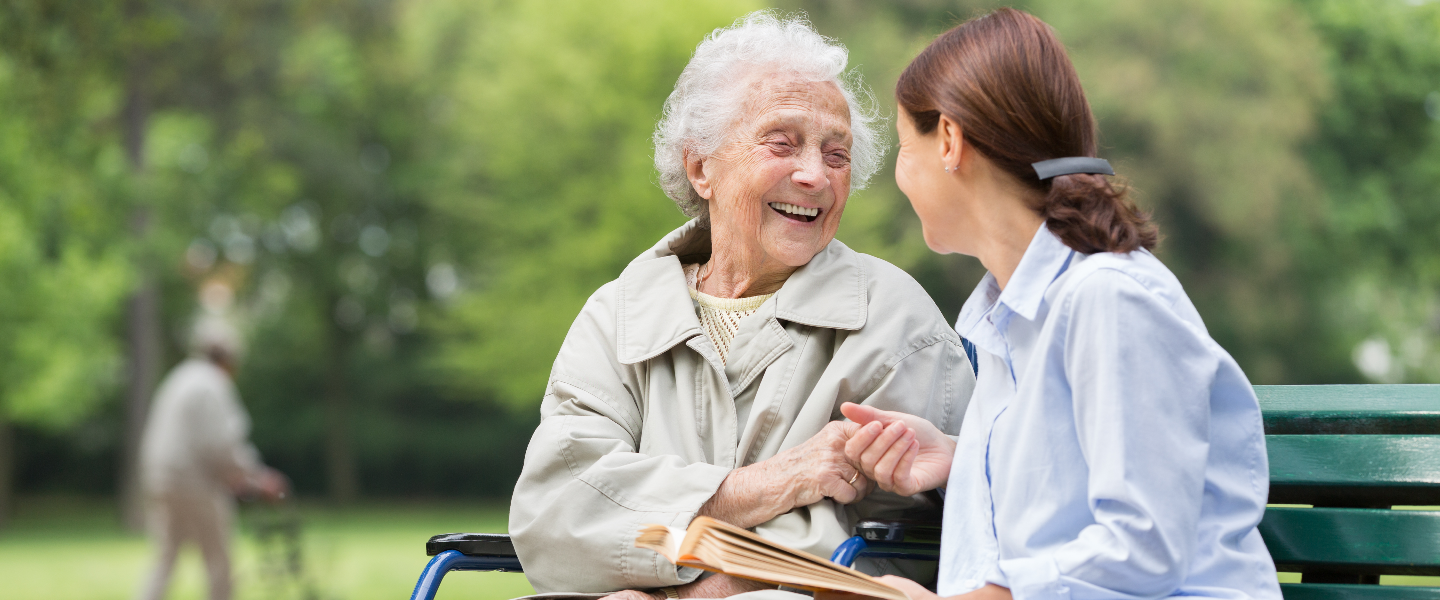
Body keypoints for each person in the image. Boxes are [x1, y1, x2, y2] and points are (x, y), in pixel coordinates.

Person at [507, 10, 976, 599]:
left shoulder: (893, 317)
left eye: (837, 155)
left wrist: (688, 588)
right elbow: (554, 514)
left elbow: (899, 546)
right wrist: (766, 485)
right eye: (782, 143)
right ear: (702, 166)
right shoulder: (618, 315)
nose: (815, 175)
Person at [828, 8, 1282, 600]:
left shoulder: (1110, 299)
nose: (898, 174)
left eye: (901, 145)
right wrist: (961, 458)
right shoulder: (1012, 316)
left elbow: (1144, 545)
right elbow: (1086, 472)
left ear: (948, 140)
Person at [136, 316, 288, 600]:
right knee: (219, 561)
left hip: (159, 479)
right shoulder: (213, 384)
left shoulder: (181, 376)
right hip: (194, 483)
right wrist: (257, 476)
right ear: (229, 358)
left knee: (165, 557)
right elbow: (222, 445)